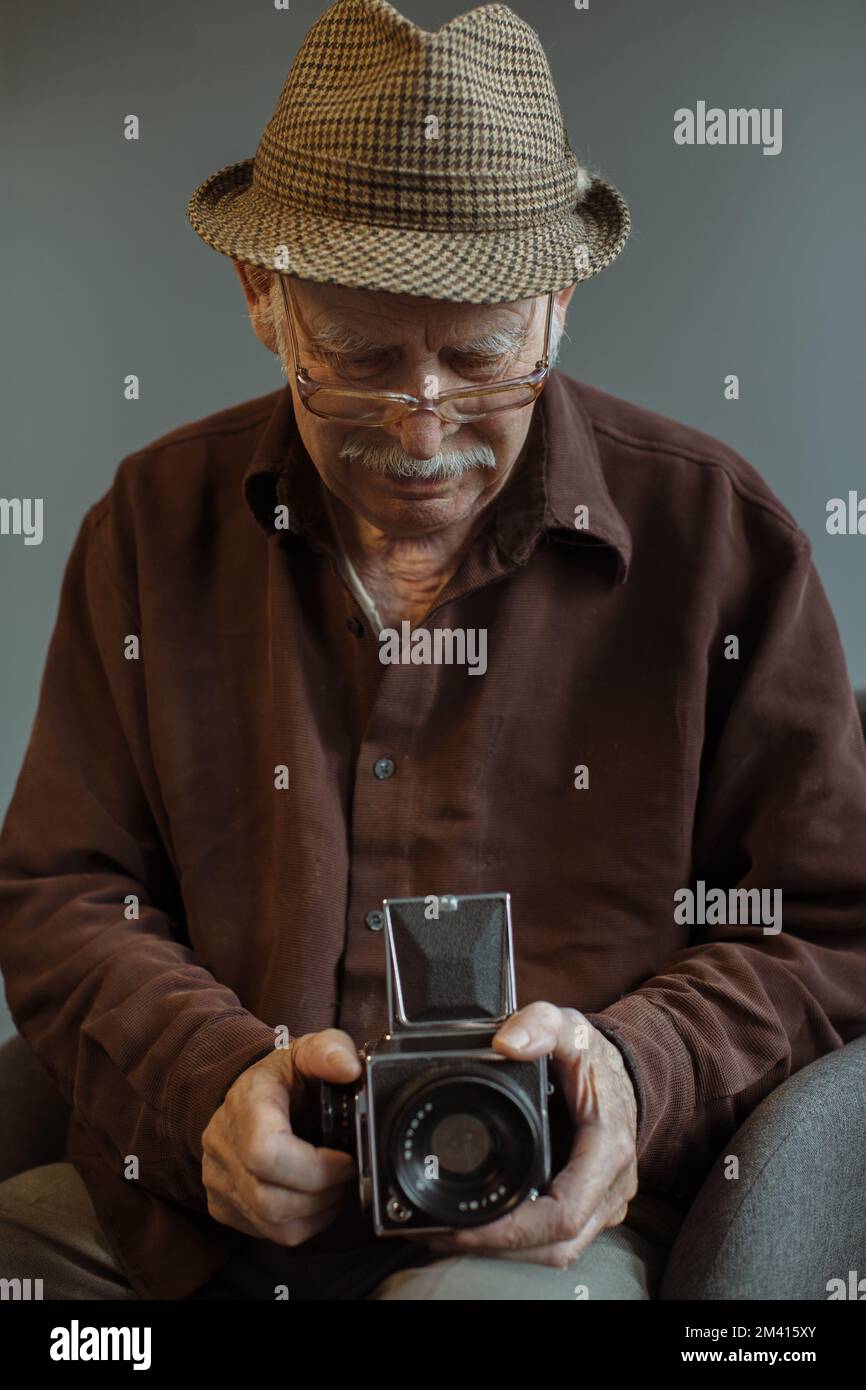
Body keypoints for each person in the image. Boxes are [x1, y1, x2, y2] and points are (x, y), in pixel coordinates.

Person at [0, 0, 864, 1302]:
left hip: (549, 1230)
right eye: (354, 354)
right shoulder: (149, 524)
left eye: (478, 354)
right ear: (262, 298)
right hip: (191, 1219)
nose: (421, 426)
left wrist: (635, 1068)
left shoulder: (716, 538)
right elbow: (62, 888)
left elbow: (832, 921)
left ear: (558, 303)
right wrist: (203, 1084)